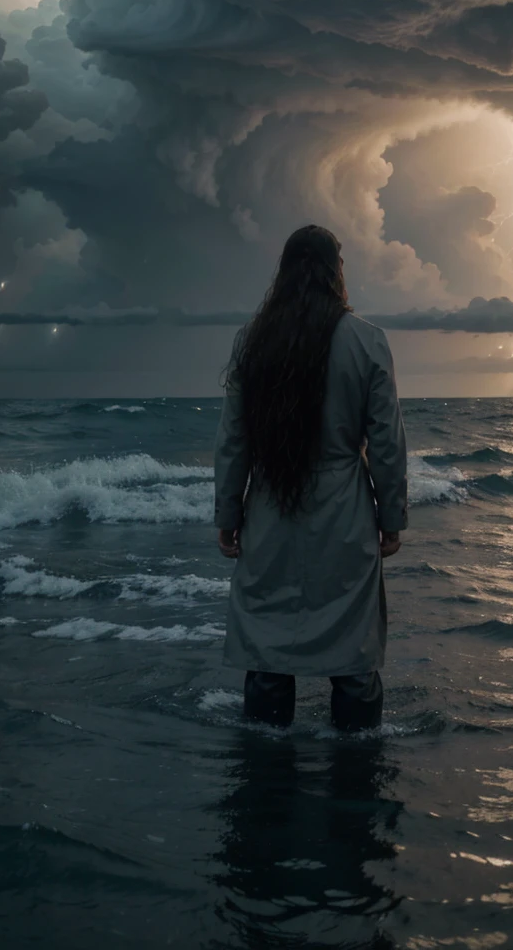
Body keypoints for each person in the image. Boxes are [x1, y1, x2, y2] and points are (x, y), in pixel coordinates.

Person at [213, 224, 408, 731]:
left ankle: (266, 777)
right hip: (343, 511)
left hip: (271, 508)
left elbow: (233, 441)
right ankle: (356, 774)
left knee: (270, 650)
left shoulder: (252, 342)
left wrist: (227, 514)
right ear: (334, 272)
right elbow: (386, 442)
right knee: (353, 653)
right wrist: (392, 516)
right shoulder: (367, 341)